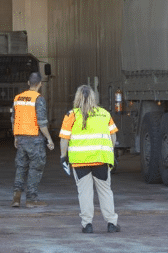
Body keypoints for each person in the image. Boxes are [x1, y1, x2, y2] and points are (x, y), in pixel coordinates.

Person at [59, 85, 120, 234]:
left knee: (85, 193)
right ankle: (111, 223)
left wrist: (63, 157)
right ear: (93, 97)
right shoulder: (104, 114)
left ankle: (87, 225)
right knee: (105, 192)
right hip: (101, 160)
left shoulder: (70, 115)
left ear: (77, 98)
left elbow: (64, 140)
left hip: (80, 162)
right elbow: (113, 136)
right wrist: (110, 152)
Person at [11, 71, 54, 208]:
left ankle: (16, 198)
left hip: (21, 139)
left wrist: (16, 136)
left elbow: (13, 120)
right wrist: (49, 139)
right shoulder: (38, 99)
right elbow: (41, 123)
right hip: (35, 139)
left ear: (28, 83)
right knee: (35, 168)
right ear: (40, 84)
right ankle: (31, 199)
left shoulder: (18, 98)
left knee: (21, 167)